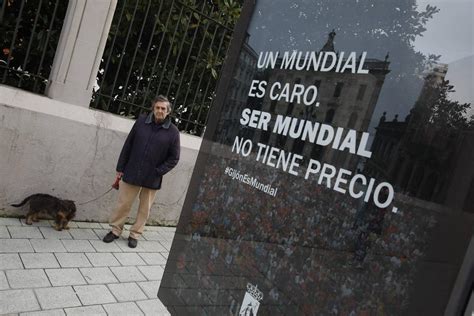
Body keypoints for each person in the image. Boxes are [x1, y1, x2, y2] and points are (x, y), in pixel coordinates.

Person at [103, 95, 180, 248]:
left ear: (168, 111)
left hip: (152, 177)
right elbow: (128, 145)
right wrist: (120, 168)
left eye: (163, 108)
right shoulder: (141, 122)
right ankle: (115, 230)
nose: (160, 111)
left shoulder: (173, 132)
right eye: (157, 107)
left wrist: (158, 171)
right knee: (123, 203)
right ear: (153, 108)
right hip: (132, 171)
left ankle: (135, 234)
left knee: (145, 209)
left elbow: (174, 158)